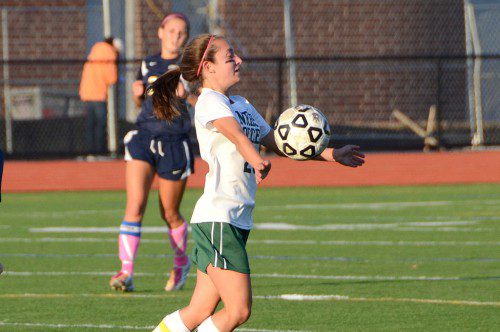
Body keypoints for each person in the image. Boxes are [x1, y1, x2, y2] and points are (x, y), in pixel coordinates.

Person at [148, 34, 365, 332]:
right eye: (230, 57)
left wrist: (331, 154)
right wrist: (255, 159)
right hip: (218, 219)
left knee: (199, 309)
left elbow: (278, 141)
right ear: (208, 68)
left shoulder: (242, 104)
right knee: (238, 310)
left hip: (233, 221)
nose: (239, 61)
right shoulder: (210, 103)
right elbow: (235, 135)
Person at [109, 13, 194, 292]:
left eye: (181, 33)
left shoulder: (189, 67)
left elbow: (202, 99)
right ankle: (125, 272)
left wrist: (187, 95)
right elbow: (140, 101)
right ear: (160, 32)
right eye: (171, 30)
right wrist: (136, 93)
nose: (176, 36)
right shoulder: (147, 63)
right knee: (135, 206)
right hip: (144, 137)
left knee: (169, 213)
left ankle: (181, 263)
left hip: (174, 141)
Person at [79, 36, 122, 155]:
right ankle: (100, 151)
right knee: (100, 125)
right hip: (99, 94)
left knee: (90, 125)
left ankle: (89, 152)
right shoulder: (109, 53)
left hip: (87, 93)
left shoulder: (95, 49)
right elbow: (111, 78)